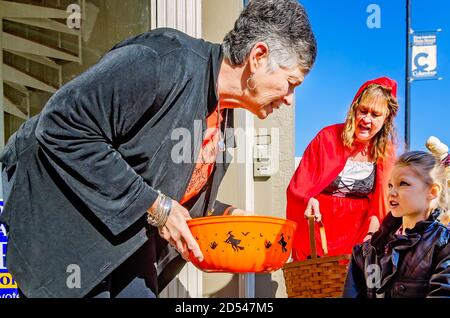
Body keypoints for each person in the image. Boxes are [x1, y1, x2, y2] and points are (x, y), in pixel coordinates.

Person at [0, 0, 317, 298]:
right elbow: (61, 126)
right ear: (258, 56)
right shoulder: (163, 60)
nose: (289, 98)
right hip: (63, 224)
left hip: (126, 240)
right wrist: (158, 208)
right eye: (291, 83)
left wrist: (225, 214)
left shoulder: (224, 119)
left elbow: (162, 183)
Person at [286, 77, 399, 260]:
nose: (366, 119)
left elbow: (383, 203)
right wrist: (308, 199)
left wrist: (373, 236)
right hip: (319, 230)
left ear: (386, 119)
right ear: (354, 108)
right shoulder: (327, 137)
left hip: (358, 236)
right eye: (363, 111)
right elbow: (299, 186)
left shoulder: (386, 152)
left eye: (375, 115)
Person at [343, 150, 450, 298]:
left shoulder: (444, 244)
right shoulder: (367, 251)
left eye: (403, 183)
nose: (392, 192)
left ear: (432, 191)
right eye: (390, 185)